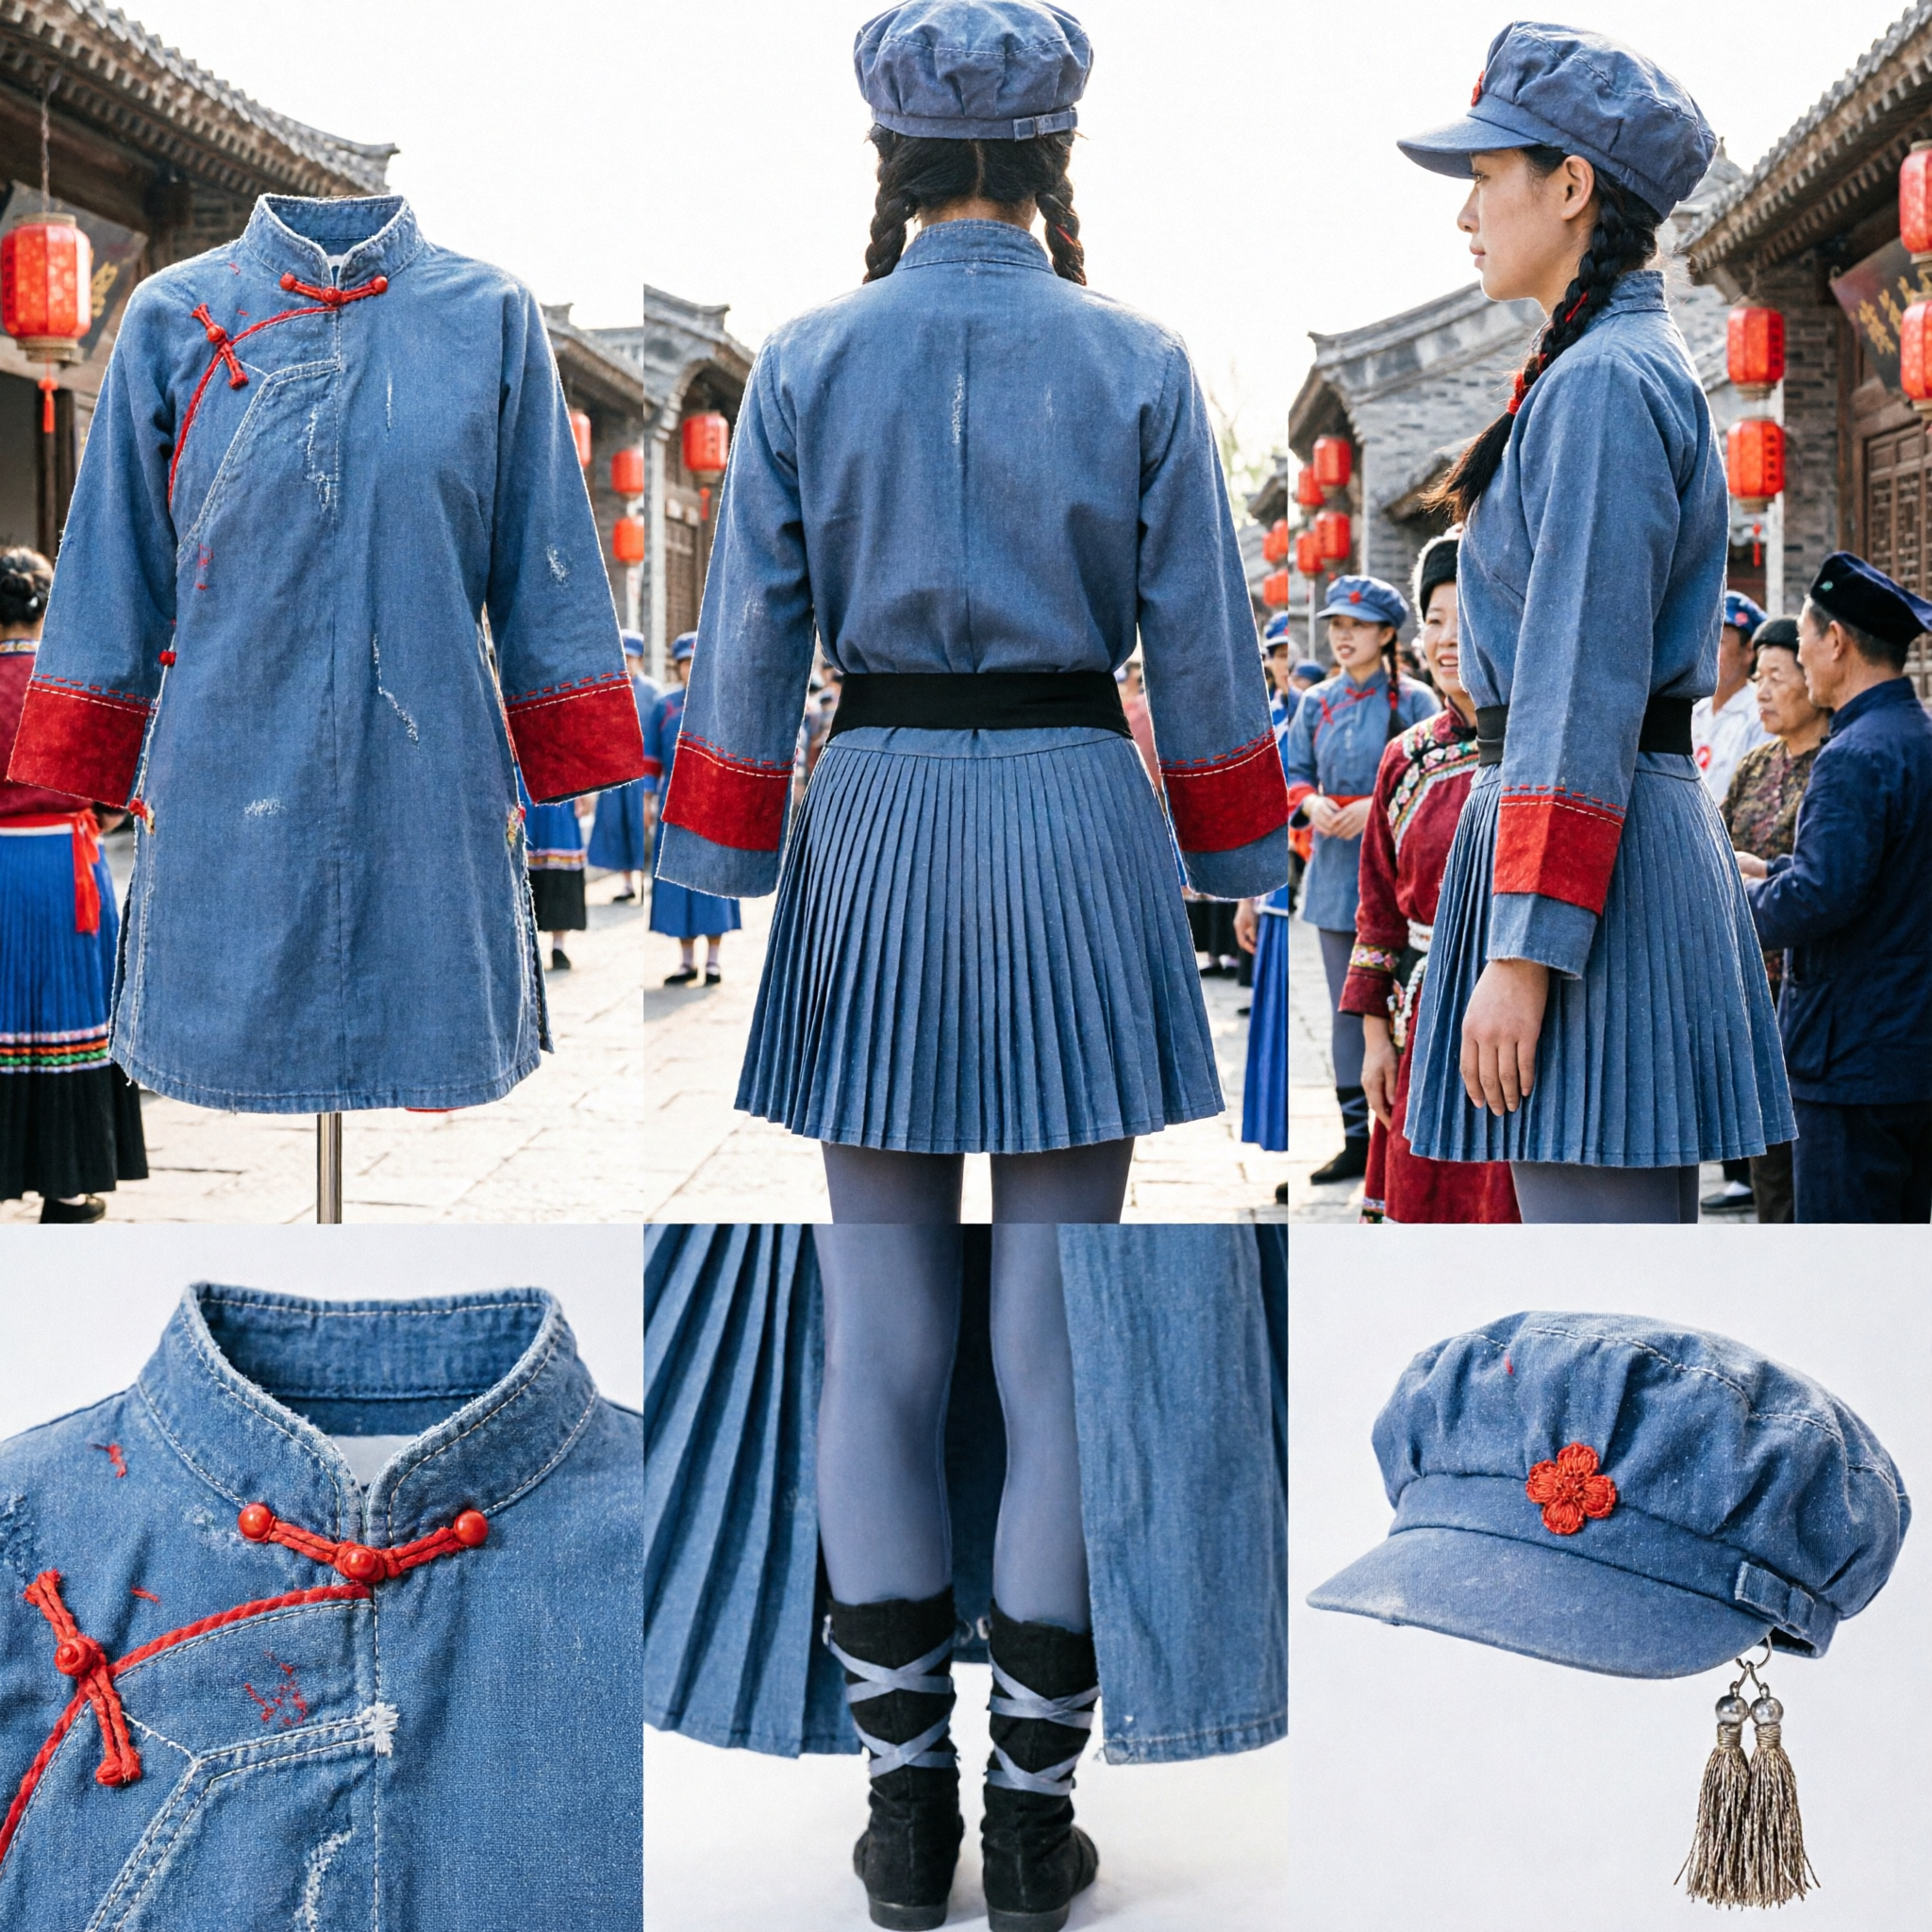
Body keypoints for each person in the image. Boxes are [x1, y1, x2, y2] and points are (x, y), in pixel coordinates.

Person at [647, 9, 1290, 1928]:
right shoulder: (1142, 359)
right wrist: (1242, 861)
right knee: (1054, 1329)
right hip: (1082, 822)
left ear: (891, 154)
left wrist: (718, 861)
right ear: (1055, 145)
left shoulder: (806, 364)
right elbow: (1204, 645)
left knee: (882, 1331)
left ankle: (900, 1808)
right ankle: (1031, 1819)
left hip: (884, 816)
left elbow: (749, 632)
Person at [1393, 23, 1791, 1224]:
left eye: (1483, 178)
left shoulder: (1603, 384)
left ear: (1569, 186)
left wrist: (1521, 953)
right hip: (1591, 850)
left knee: (1594, 1249)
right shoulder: (1600, 368)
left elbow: (1574, 683)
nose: (1464, 218)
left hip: (1587, 869)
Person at [1743, 555, 1932, 1222]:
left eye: (1799, 640)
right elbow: (1880, 884)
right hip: (1910, 1050)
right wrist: (1767, 875)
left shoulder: (1851, 755)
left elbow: (1822, 898)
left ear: (1836, 642)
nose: (1799, 654)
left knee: (1841, 1258)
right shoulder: (1918, 736)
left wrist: (1729, 909)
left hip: (1848, 1056)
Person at [1341, 533, 1517, 1224]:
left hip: (1517, 1022)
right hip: (1421, 1023)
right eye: (1434, 621)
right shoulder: (1406, 760)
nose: (1447, 640)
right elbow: (1378, 912)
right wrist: (1374, 1041)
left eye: (1464, 617)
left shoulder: (1541, 748)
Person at [0, 546, 147, 1221]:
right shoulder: (67, 682)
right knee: (69, 1020)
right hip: (65, 867)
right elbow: (114, 797)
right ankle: (65, 1184)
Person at [1281, 575, 1438, 1186]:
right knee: (1348, 1009)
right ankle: (1354, 1139)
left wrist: (1379, 804)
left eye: (1356, 626)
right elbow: (1293, 772)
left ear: (1387, 632)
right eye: (1336, 627)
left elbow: (1438, 772)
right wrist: (1311, 802)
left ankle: (1405, 1133)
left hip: (1399, 874)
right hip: (1332, 873)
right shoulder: (1316, 703)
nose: (1343, 637)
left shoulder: (1417, 702)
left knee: (1404, 1006)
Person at [1702, 617, 1825, 1221]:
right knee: (1769, 1158)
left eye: (1778, 676)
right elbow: (1715, 844)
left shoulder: (1836, 765)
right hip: (1753, 984)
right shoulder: (1754, 766)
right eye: (1760, 677)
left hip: (1810, 990)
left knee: (1818, 1159)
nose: (1764, 691)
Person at [644, 633, 739, 987]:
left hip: (715, 802)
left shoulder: (726, 703)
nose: (692, 669)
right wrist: (646, 801)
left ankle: (713, 962)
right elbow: (651, 758)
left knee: (713, 880)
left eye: (698, 662)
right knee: (676, 881)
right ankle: (686, 962)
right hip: (673, 804)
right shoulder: (663, 705)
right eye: (686, 663)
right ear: (677, 666)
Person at [587, 631, 659, 903]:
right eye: (622, 658)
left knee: (639, 824)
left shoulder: (653, 693)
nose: (626, 663)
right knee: (615, 825)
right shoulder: (607, 690)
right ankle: (627, 882)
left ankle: (645, 879)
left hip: (642, 771)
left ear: (639, 660)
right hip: (615, 772)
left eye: (630, 658)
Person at [1691, 590, 1772, 804]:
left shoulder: (1761, 713)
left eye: (1720, 642)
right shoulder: (1693, 710)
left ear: (1748, 652)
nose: (1707, 651)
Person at [518, 771, 588, 971]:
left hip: (560, 785)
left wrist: (584, 788)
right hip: (522, 786)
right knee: (525, 865)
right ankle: (527, 946)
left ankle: (558, 945)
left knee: (560, 865)